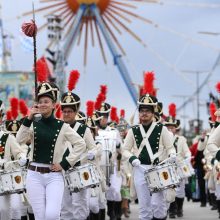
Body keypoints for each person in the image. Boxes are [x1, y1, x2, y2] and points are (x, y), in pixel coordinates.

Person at [16, 82, 86, 220]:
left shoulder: (62, 126)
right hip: (34, 175)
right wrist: (29, 117)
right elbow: (19, 139)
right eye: (40, 101)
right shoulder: (33, 123)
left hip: (54, 175)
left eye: (46, 101)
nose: (42, 104)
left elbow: (80, 144)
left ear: (54, 105)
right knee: (40, 217)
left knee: (52, 215)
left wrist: (65, 164)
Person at [122, 94, 176, 220]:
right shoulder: (133, 130)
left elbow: (170, 147)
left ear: (153, 113)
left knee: (158, 206)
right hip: (140, 169)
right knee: (144, 206)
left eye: (147, 111)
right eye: (142, 111)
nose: (144, 114)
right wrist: (132, 158)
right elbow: (125, 150)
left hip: (157, 169)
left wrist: (172, 154)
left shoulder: (161, 129)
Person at [60, 91, 99, 220]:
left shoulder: (84, 129)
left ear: (75, 112)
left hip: (80, 171)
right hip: (61, 170)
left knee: (80, 205)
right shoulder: (58, 128)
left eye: (69, 111)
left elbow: (93, 148)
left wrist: (92, 153)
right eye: (64, 111)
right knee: (65, 207)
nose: (66, 114)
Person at [95, 102, 123, 220]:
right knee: (99, 192)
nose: (103, 120)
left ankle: (112, 212)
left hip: (112, 164)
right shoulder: (94, 130)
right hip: (98, 166)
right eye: (101, 117)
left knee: (115, 190)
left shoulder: (114, 131)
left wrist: (119, 151)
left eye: (105, 117)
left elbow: (120, 146)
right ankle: (103, 212)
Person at [0, 100, 26, 220]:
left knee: (4, 210)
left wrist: (21, 157)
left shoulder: (7, 137)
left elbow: (18, 151)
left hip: (5, 179)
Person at [164, 116, 191, 218]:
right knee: (169, 189)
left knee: (180, 191)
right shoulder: (162, 138)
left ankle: (179, 208)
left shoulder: (181, 139)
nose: (170, 129)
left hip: (179, 166)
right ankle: (171, 210)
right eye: (168, 127)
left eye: (172, 127)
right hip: (167, 167)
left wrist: (188, 156)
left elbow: (187, 151)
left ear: (176, 128)